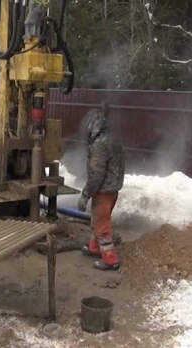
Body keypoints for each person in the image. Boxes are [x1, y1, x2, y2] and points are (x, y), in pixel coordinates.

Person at [77, 109, 125, 271]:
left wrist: (85, 195)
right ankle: (94, 248)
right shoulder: (113, 140)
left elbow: (96, 175)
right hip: (113, 189)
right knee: (97, 221)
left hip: (103, 191)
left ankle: (110, 260)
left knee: (102, 227)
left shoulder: (99, 145)